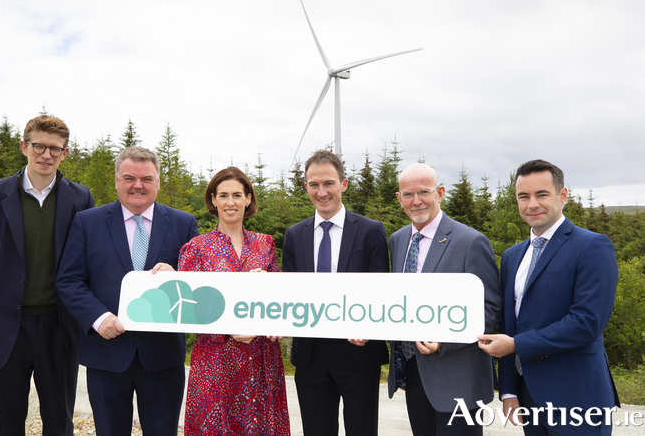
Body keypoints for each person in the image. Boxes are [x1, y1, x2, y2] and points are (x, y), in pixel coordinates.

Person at [55, 146, 199, 436]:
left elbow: (200, 282)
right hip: (106, 354)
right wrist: (98, 318)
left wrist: (181, 278)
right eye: (129, 177)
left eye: (146, 178)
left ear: (158, 181)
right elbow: (68, 280)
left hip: (162, 357)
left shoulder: (184, 224)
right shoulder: (87, 222)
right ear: (117, 180)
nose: (138, 185)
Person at [0, 115, 94, 436]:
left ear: (65, 153)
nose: (46, 155)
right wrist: (1, 294)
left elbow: (86, 260)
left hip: (59, 327)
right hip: (6, 327)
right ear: (24, 147)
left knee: (59, 421)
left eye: (55, 149)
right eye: (39, 146)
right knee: (8, 423)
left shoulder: (81, 198)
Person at [478, 159, 619, 435]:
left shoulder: (592, 246)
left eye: (541, 194)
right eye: (523, 196)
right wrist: (508, 391)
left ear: (562, 195)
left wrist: (516, 345)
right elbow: (509, 324)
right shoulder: (511, 256)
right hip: (529, 397)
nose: (532, 204)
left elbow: (587, 323)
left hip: (578, 398)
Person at [152, 166, 289, 436]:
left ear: (248, 199)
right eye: (223, 195)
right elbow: (188, 310)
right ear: (213, 199)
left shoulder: (265, 244)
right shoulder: (196, 248)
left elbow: (280, 299)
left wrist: (270, 294)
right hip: (215, 360)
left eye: (237, 195)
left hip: (260, 359)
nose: (230, 202)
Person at [387, 163, 502, 436]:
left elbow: (490, 308)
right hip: (414, 374)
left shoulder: (471, 241)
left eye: (423, 192)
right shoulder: (398, 240)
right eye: (407, 194)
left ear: (440, 193)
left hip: (458, 376)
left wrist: (445, 337)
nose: (416, 201)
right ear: (399, 198)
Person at [282, 150, 389, 436]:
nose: (321, 191)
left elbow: (380, 290)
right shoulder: (295, 234)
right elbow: (290, 291)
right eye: (313, 185)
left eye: (328, 183)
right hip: (310, 355)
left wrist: (369, 325)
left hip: (358, 352)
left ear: (343, 184)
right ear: (306, 187)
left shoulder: (370, 231)